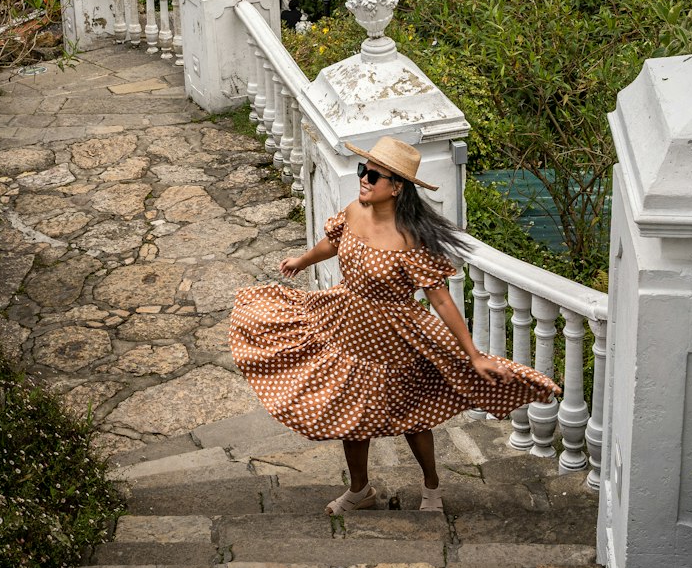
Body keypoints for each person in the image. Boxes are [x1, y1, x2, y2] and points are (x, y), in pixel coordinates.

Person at [229, 136, 561, 514]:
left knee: (412, 417)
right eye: (362, 171)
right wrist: (301, 262)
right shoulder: (355, 211)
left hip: (393, 336)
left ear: (397, 187)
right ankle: (360, 491)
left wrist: (472, 355)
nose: (364, 180)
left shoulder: (410, 240)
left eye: (374, 175)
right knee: (350, 416)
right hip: (346, 321)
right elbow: (332, 244)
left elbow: (441, 300)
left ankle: (432, 487)